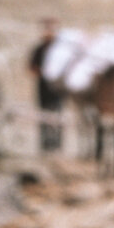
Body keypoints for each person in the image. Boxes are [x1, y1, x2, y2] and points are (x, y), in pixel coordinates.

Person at [28, 18, 63, 152]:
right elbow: (32, 68)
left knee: (57, 115)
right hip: (43, 87)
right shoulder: (39, 49)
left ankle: (56, 143)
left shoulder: (60, 50)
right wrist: (42, 72)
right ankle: (45, 143)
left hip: (57, 88)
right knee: (43, 115)